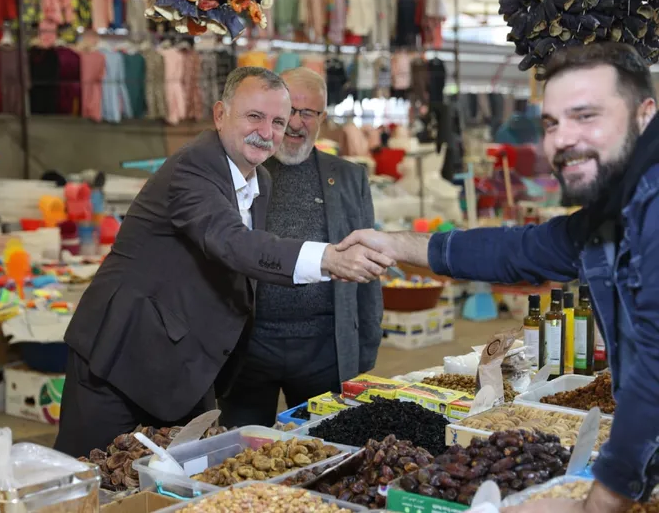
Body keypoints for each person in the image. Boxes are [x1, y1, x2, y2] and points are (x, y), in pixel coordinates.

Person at [337, 42, 659, 513]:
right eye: (552, 123)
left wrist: (594, 506)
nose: (562, 139)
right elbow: (518, 251)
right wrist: (395, 245)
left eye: (586, 116)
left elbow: (653, 371)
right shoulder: (615, 209)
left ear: (644, 115)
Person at [54, 66, 392, 458]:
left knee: (180, 476)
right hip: (120, 359)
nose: (267, 132)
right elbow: (232, 243)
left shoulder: (260, 181)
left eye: (277, 122)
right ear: (220, 115)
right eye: (254, 116)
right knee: (90, 477)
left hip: (184, 365)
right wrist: (328, 257)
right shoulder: (193, 167)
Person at [219, 68, 383, 427]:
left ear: (322, 118)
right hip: (248, 348)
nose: (295, 123)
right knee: (241, 445)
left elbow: (368, 265)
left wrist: (367, 344)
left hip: (324, 348)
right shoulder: (241, 170)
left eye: (308, 113)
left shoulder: (349, 177)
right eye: (289, 111)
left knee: (324, 444)